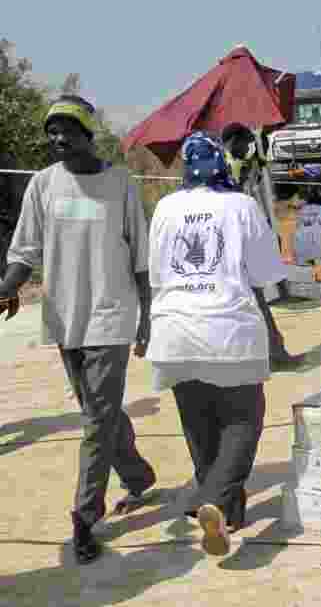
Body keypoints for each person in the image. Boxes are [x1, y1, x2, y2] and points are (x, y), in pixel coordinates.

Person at [0, 95, 157, 564]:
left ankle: (85, 516)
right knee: (100, 412)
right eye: (52, 132)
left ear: (89, 134)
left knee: (95, 420)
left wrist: (147, 316)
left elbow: (141, 258)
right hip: (66, 318)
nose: (57, 140)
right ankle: (139, 476)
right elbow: (23, 251)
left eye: (67, 131)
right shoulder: (43, 186)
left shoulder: (121, 185)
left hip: (111, 316)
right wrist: (6, 287)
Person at [147, 132, 288, 556]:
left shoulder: (165, 208)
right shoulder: (241, 205)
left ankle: (226, 513)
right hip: (228, 330)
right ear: (222, 166)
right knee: (244, 419)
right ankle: (213, 499)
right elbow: (266, 274)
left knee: (199, 421)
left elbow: (157, 275)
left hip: (173, 331)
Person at [221, 122, 303, 369]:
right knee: (254, 303)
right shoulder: (230, 166)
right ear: (234, 142)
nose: (249, 148)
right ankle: (274, 355)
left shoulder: (232, 162)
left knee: (251, 303)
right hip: (235, 246)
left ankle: (270, 353)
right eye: (246, 144)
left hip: (231, 246)